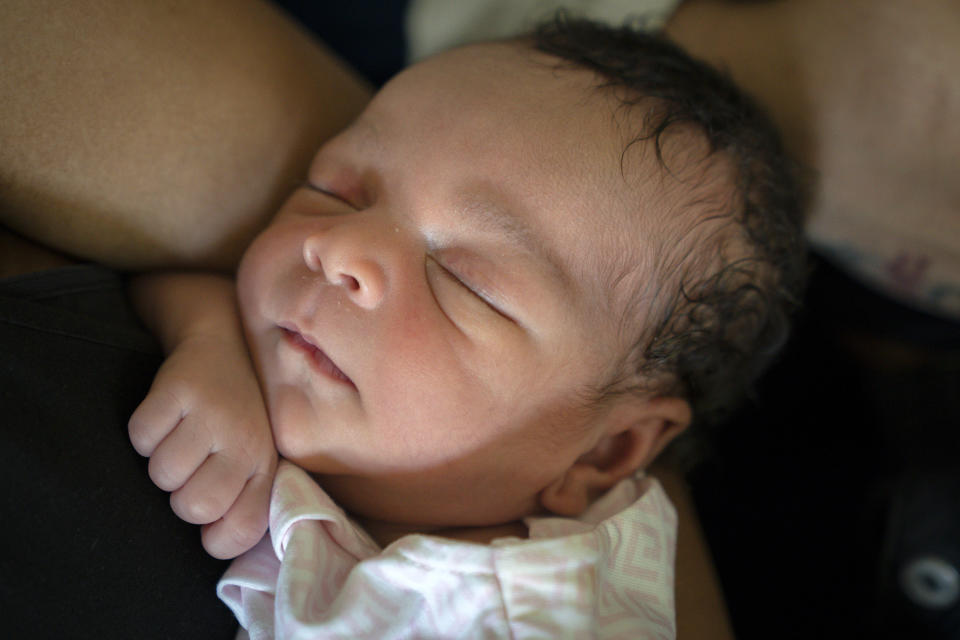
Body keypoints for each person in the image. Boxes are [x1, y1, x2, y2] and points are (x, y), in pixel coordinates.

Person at [124, 16, 804, 637]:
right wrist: (208, 343)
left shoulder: (510, 613)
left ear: (604, 452)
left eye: (466, 281)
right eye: (336, 192)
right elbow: (150, 273)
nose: (339, 250)